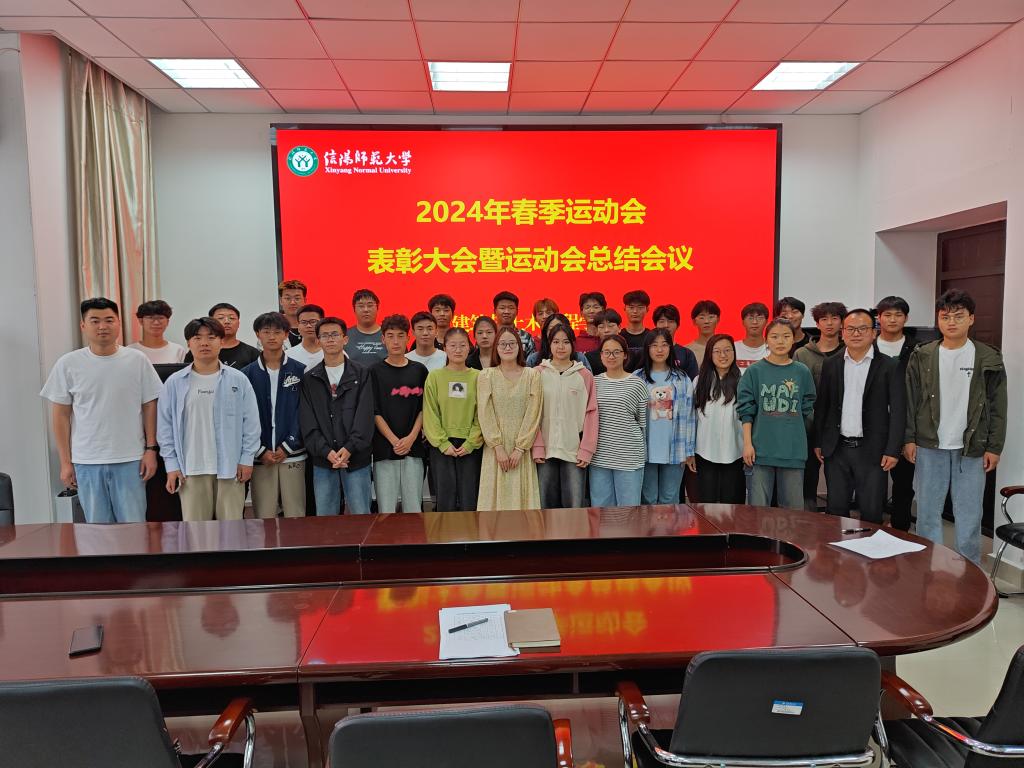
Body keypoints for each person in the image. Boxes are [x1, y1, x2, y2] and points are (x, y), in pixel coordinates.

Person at [904, 289, 1007, 565]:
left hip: (971, 448)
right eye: (945, 316)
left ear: (971, 319)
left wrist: (994, 446)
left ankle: (969, 573)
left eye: (958, 316)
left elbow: (998, 406)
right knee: (927, 513)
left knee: (969, 515)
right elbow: (910, 400)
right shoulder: (923, 355)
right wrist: (908, 438)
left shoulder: (988, 356)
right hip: (929, 444)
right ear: (938, 319)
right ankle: (929, 568)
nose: (951, 322)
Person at [41, 297, 162, 524]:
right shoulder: (68, 363)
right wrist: (65, 462)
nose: (102, 326)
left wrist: (150, 449)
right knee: (97, 529)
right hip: (87, 460)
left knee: (134, 526)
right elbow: (61, 416)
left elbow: (149, 405)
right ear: (83, 325)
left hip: (131, 459)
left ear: (119, 323)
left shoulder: (137, 360)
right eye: (95, 321)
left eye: (109, 320)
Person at [158, 317, 261, 521]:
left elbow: (251, 424)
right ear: (188, 343)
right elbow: (165, 428)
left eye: (211, 337)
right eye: (197, 338)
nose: (204, 343)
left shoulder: (238, 379)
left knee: (232, 530)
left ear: (221, 342)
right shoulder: (175, 383)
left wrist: (246, 459)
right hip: (191, 469)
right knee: (196, 532)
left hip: (231, 468)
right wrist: (171, 465)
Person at [813, 309, 904, 524]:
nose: (856, 334)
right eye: (851, 329)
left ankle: (870, 547)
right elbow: (823, 406)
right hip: (837, 449)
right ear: (842, 333)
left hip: (872, 450)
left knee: (871, 511)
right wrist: (818, 441)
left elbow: (899, 411)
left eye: (862, 329)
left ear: (873, 333)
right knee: (836, 510)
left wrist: (893, 449)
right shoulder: (831, 363)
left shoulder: (890, 366)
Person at [738, 318, 816, 510]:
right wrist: (747, 444)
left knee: (793, 513)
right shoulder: (754, 371)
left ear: (793, 339)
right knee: (758, 511)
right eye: (774, 337)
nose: (780, 341)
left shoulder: (802, 372)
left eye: (786, 336)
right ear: (766, 340)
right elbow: (746, 411)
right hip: (760, 451)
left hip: (792, 452)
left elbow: (808, 408)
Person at [299, 317, 375, 515]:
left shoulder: (362, 373)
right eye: (325, 335)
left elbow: (365, 416)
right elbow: (308, 421)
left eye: (335, 334)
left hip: (356, 458)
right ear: (318, 341)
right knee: (325, 518)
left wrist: (350, 447)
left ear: (345, 339)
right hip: (324, 459)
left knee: (361, 514)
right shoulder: (310, 378)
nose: (330, 339)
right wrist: (326, 451)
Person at [242, 312, 307, 519]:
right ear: (257, 334)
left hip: (293, 454)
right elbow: (243, 417)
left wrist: (288, 445)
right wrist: (260, 449)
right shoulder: (246, 374)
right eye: (266, 331)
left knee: (295, 514)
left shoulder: (300, 371)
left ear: (286, 334)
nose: (272, 336)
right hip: (260, 456)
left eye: (277, 332)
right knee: (264, 517)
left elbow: (304, 411)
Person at [476, 326, 543, 511]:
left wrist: (520, 448)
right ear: (496, 348)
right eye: (503, 344)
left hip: (521, 450)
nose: (507, 347)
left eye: (512, 343)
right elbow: (485, 412)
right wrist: (497, 447)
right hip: (495, 450)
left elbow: (534, 412)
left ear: (519, 346)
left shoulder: (532, 375)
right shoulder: (486, 375)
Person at [532, 322, 598, 509]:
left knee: (574, 507)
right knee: (545, 507)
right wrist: (537, 446)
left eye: (566, 342)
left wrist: (586, 449)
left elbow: (592, 413)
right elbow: (531, 413)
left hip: (574, 451)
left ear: (573, 345)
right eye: (556, 342)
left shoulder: (584, 375)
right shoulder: (537, 374)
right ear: (549, 344)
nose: (561, 347)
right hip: (545, 451)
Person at [371, 315, 428, 513]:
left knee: (414, 508)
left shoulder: (419, 370)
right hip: (385, 449)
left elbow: (424, 408)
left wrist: (411, 438)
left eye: (400, 336)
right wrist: (394, 440)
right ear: (383, 339)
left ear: (408, 338)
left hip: (414, 448)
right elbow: (374, 411)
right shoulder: (374, 372)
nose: (395, 341)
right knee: (386, 509)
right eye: (390, 336)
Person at [423, 327, 484, 511]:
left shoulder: (479, 377)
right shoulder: (435, 377)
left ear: (469, 347)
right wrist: (442, 443)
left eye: (462, 345)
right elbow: (430, 412)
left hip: (470, 446)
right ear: (445, 348)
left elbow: (483, 413)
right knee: (445, 499)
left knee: (469, 499)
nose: (458, 350)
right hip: (442, 447)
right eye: (453, 345)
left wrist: (471, 442)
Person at [634, 328, 696, 505]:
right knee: (648, 499)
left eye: (664, 345)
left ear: (670, 348)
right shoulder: (637, 378)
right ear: (647, 348)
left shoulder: (682, 379)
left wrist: (689, 451)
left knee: (670, 499)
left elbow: (690, 417)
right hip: (645, 450)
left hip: (675, 449)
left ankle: (669, 526)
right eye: (654, 345)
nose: (659, 350)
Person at [795, 301, 847, 510]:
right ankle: (807, 518)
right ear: (817, 324)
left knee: (838, 481)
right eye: (824, 319)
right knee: (808, 478)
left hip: (841, 425)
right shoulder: (802, 354)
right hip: (809, 425)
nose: (829, 323)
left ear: (842, 322)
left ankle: (836, 519)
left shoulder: (849, 351)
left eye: (834, 318)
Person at [589, 334, 650, 506]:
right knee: (601, 510)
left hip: (629, 456)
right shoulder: (594, 382)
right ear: (601, 355)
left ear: (625, 355)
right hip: (599, 456)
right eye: (607, 352)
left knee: (628, 511)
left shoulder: (637, 384)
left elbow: (643, 423)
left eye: (616, 352)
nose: (611, 356)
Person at [875, 295, 919, 531]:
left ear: (906, 318)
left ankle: (900, 528)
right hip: (872, 425)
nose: (893, 319)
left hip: (905, 422)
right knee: (871, 480)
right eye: (887, 315)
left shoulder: (918, 349)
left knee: (903, 481)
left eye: (898, 315)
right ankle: (871, 526)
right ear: (879, 318)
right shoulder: (867, 345)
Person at [692, 334, 745, 503]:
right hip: (705, 451)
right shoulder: (699, 381)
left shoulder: (743, 380)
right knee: (707, 504)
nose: (723, 355)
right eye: (717, 351)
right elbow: (692, 418)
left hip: (735, 451)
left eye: (728, 350)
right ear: (709, 354)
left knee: (733, 504)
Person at [183, 303, 259, 369]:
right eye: (220, 318)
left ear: (238, 323)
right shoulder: (199, 351)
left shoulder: (252, 353)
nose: (227, 321)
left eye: (232, 318)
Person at [526, 314, 592, 370]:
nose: (556, 332)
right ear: (545, 332)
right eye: (552, 329)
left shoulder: (580, 358)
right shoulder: (533, 359)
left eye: (560, 327)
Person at [129, 300, 186, 364]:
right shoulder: (130, 350)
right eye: (151, 318)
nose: (156, 323)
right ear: (141, 321)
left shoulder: (178, 350)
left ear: (167, 322)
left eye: (161, 318)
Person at [652, 304, 700, 379]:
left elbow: (693, 381)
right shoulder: (648, 351)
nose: (666, 325)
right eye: (662, 321)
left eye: (671, 321)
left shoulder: (687, 354)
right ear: (655, 324)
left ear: (677, 325)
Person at [346, 288, 386, 366]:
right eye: (361, 306)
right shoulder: (345, 336)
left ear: (377, 308)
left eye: (370, 305)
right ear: (354, 309)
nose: (366, 310)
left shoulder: (389, 335)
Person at [493, 291, 537, 358]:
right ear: (494, 311)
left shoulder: (526, 337)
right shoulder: (488, 336)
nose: (506, 312)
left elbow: (531, 362)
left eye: (511, 308)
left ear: (517, 312)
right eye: (502, 308)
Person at [286, 303, 325, 372]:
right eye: (304, 322)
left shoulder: (336, 354)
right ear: (298, 326)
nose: (308, 326)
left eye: (313, 322)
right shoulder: (288, 355)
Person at [585, 309, 622, 375]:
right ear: (597, 330)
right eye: (601, 327)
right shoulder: (589, 357)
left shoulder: (630, 356)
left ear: (619, 328)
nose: (606, 330)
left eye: (610, 326)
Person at [621, 289, 651, 369]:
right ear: (624, 308)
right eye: (631, 307)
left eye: (640, 307)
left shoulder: (652, 337)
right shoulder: (618, 336)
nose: (635, 311)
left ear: (647, 309)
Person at [735, 302, 769, 372]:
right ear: (743, 322)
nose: (755, 322)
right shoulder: (733, 348)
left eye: (760, 318)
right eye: (750, 318)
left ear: (766, 322)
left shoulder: (773, 349)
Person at [685, 299, 720, 366]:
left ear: (718, 320)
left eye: (711, 317)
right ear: (694, 322)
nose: (706, 321)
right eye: (702, 317)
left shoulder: (726, 348)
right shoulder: (687, 351)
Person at [278, 279, 308, 348]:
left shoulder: (316, 327)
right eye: (287, 298)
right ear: (281, 301)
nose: (292, 302)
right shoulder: (272, 325)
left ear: (305, 300)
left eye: (297, 298)